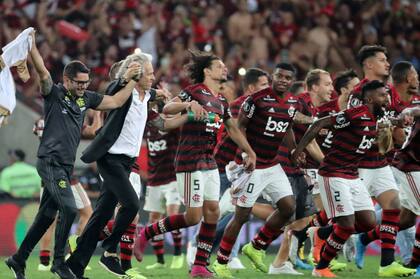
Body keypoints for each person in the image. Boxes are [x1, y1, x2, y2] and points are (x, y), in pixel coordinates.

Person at [5, 31, 142, 279]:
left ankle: (18, 259)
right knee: (69, 209)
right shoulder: (54, 93)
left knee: (45, 217)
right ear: (67, 80)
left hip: (66, 167)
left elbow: (114, 102)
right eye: (78, 82)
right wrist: (32, 47)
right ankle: (59, 264)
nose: (82, 86)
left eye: (86, 82)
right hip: (49, 162)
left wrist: (132, 81)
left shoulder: (86, 98)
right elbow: (43, 72)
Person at [134, 50, 256, 278]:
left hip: (209, 161)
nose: (225, 69)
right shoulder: (193, 92)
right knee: (192, 217)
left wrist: (250, 151)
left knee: (213, 211)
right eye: (220, 66)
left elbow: (232, 128)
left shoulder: (221, 100)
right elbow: (168, 108)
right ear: (207, 71)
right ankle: (148, 232)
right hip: (190, 160)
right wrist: (188, 106)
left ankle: (200, 265)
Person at [292, 80, 415, 277]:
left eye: (387, 94)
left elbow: (382, 124)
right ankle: (321, 267)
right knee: (346, 224)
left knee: (368, 223)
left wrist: (397, 123)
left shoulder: (379, 116)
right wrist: (298, 151)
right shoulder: (355, 114)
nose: (387, 98)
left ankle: (321, 234)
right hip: (333, 173)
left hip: (352, 175)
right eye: (383, 95)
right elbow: (319, 123)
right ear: (369, 98)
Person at [65, 52, 170, 279]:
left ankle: (74, 265)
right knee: (131, 204)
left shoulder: (145, 94)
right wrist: (127, 79)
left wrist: (165, 96)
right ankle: (110, 251)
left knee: (101, 216)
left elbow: (153, 93)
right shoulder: (122, 90)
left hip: (126, 162)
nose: (153, 77)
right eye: (149, 74)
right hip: (110, 158)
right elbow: (113, 88)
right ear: (137, 75)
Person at [212, 63, 319, 277]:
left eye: (288, 78)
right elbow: (239, 127)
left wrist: (293, 152)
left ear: (291, 81)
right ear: (273, 77)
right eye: (279, 76)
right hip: (250, 167)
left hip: (271, 164)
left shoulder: (292, 102)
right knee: (240, 217)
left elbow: (287, 127)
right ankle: (221, 262)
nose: (283, 80)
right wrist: (246, 154)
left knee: (288, 208)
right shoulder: (257, 100)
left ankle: (256, 246)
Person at [349, 46, 416, 276]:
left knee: (393, 208)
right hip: (360, 163)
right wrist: (381, 130)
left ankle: (387, 265)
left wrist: (400, 125)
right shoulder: (357, 93)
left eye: (387, 60)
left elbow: (394, 121)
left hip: (383, 162)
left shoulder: (391, 91)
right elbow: (353, 127)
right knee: (354, 219)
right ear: (369, 65)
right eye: (381, 60)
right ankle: (319, 234)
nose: (387, 64)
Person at [393, 106, 420, 276]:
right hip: (410, 165)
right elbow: (413, 110)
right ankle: (414, 264)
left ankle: (364, 238)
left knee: (407, 220)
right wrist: (407, 113)